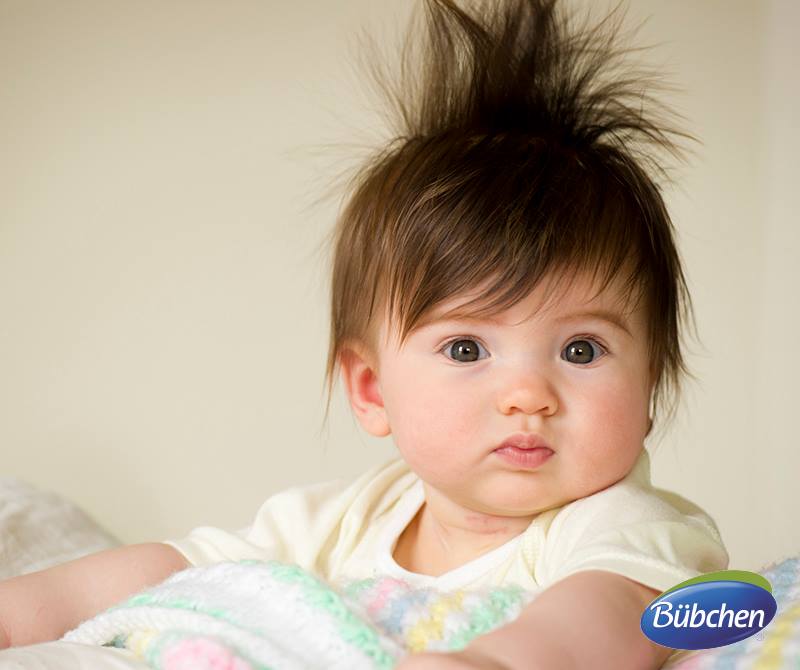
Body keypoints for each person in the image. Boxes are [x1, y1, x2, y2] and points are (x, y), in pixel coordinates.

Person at [0, 0, 728, 667]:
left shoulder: (627, 528)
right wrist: (27, 612)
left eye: (581, 350)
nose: (528, 395)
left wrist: (494, 663)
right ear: (372, 389)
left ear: (652, 383)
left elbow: (606, 614)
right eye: (467, 348)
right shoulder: (346, 520)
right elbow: (185, 568)